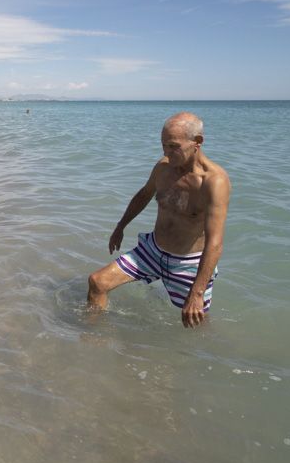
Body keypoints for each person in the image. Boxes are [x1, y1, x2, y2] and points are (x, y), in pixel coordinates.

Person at [87, 112, 230, 327]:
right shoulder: (163, 168)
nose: (166, 152)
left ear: (197, 142)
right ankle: (92, 336)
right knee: (97, 282)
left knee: (194, 322)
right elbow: (144, 195)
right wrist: (120, 226)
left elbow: (215, 242)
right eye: (163, 145)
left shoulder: (214, 182)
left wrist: (197, 292)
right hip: (152, 250)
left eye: (173, 146)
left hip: (188, 263)